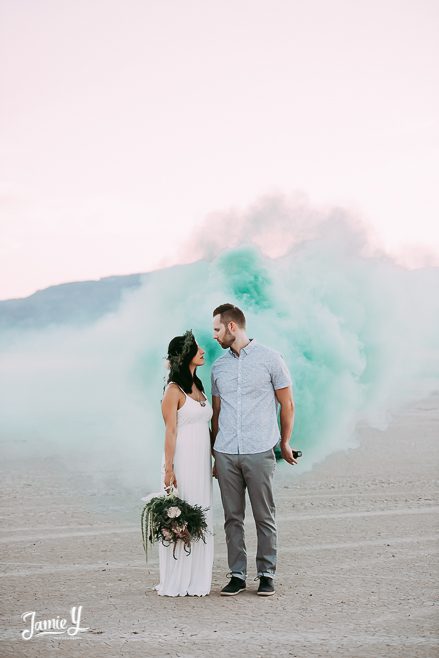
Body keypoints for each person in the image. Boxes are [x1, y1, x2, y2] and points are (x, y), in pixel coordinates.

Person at [211, 304, 296, 597]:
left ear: (232, 327)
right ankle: (236, 574)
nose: (214, 335)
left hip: (260, 450)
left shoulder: (271, 359)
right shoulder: (218, 366)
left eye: (217, 329)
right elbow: (216, 413)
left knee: (264, 515)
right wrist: (213, 453)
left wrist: (284, 443)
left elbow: (287, 404)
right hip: (225, 452)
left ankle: (266, 574)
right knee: (232, 518)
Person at [154, 330, 214, 597]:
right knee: (182, 514)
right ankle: (178, 579)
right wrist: (169, 469)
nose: (203, 351)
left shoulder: (198, 387)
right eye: (198, 348)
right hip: (183, 460)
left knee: (203, 511)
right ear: (186, 355)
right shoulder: (173, 391)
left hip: (202, 460)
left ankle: (198, 578)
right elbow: (170, 432)